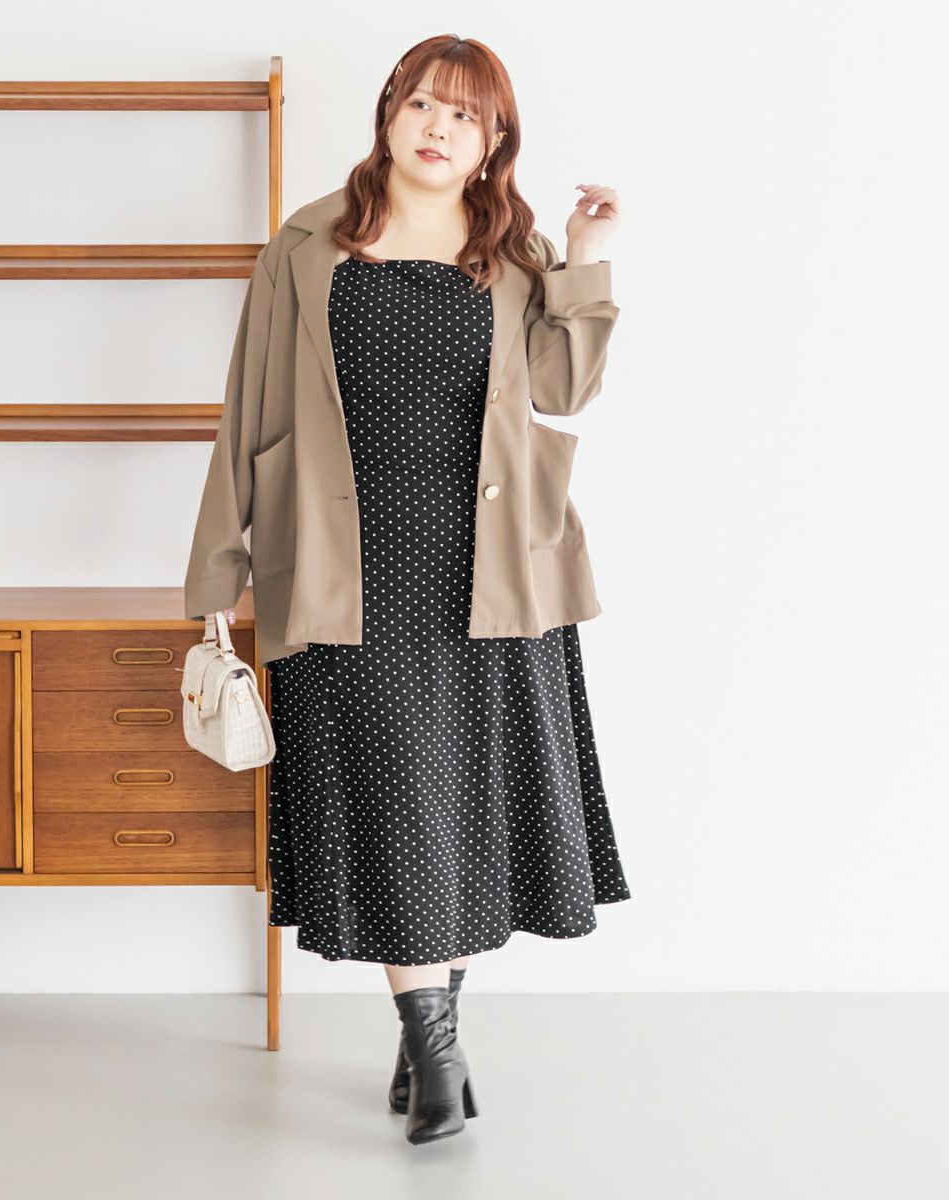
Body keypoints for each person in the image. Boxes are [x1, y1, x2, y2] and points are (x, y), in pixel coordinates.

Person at [207, 34, 630, 1145]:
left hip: (491, 570)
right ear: (390, 112)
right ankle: (438, 1059)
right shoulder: (305, 247)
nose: (440, 129)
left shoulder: (516, 249)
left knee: (462, 805)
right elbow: (248, 413)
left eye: (466, 116)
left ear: (495, 141)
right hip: (346, 571)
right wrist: (216, 577)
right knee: (396, 800)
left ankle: (423, 1039)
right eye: (424, 105)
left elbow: (563, 391)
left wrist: (587, 257)